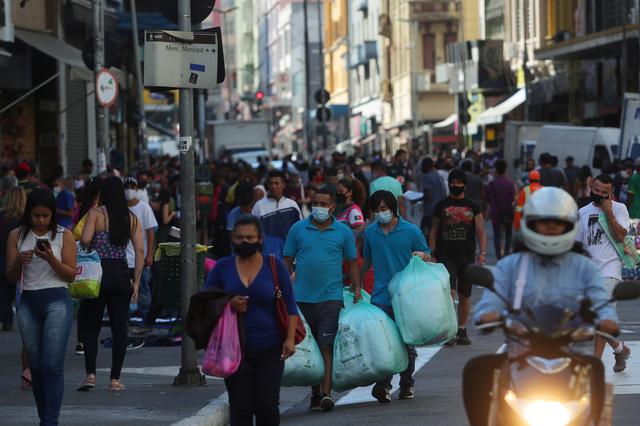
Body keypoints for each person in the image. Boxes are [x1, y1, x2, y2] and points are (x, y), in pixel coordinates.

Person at [467, 187, 619, 426]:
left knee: (595, 369)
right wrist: (488, 314)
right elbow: (490, 299)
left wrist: (606, 319)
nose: (550, 227)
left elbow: (601, 300)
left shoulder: (584, 267)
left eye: (557, 223)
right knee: (476, 369)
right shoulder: (510, 265)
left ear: (569, 225)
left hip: (567, 351)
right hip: (520, 352)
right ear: (531, 224)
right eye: (543, 222)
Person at [204, 214, 298, 426]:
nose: (244, 242)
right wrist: (228, 302)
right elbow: (205, 301)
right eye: (239, 238)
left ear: (260, 239)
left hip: (270, 347)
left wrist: (290, 338)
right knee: (240, 408)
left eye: (249, 237)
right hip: (234, 349)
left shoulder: (274, 265)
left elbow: (290, 305)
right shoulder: (223, 267)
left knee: (267, 406)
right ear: (232, 239)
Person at [283, 186, 361, 412]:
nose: (318, 208)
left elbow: (352, 261)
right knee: (311, 347)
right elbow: (286, 261)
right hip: (301, 299)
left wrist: (356, 287)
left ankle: (326, 394)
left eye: (323, 204)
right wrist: (279, 287)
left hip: (331, 297)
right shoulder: (297, 229)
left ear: (333, 207)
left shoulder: (343, 231)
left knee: (326, 346)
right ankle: (315, 392)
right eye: (315, 203)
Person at [6, 189, 77, 425]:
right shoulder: (16, 235)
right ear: (29, 214)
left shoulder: (63, 235)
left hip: (57, 299)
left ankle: (50, 422)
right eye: (36, 215)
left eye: (46, 216)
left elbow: (70, 275)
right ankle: (44, 418)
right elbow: (11, 276)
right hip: (27, 301)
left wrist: (50, 259)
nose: (41, 221)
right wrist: (19, 261)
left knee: (52, 365)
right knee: (35, 367)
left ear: (53, 215)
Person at [360, 190, 431, 403]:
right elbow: (367, 261)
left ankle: (407, 384)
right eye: (376, 210)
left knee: (406, 341)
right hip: (381, 295)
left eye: (384, 209)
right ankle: (383, 385)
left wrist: (422, 255)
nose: (380, 213)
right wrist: (356, 284)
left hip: (407, 296)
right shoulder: (371, 233)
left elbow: (427, 254)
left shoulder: (411, 231)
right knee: (384, 342)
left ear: (393, 208)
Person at [78, 177, 144, 392]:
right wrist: (137, 281)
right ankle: (115, 378)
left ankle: (90, 375)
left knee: (91, 325)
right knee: (119, 328)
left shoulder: (95, 214)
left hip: (96, 275)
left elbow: (85, 239)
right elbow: (140, 251)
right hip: (121, 274)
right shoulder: (131, 218)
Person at [576, 174, 631, 372]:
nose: (598, 195)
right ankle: (620, 348)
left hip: (610, 271)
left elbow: (620, 235)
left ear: (611, 194)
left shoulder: (619, 209)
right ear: (591, 187)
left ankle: (594, 364)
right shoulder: (583, 211)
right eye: (596, 190)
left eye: (603, 193)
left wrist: (610, 214)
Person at [429, 169, 487, 346]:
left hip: (467, 256)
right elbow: (434, 231)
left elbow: (481, 231)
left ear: (465, 185)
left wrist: (482, 253)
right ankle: (450, 330)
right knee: (449, 293)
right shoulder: (441, 206)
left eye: (458, 182)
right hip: (445, 255)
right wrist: (431, 254)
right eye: (452, 182)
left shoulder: (474, 206)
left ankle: (462, 329)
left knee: (464, 294)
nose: (454, 185)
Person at [124, 177, 157, 318]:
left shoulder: (144, 207)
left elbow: (151, 231)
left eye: (132, 187)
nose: (129, 190)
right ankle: (129, 316)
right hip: (123, 258)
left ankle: (144, 316)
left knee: (143, 287)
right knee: (125, 289)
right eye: (126, 187)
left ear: (137, 189)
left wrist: (149, 254)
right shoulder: (119, 207)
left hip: (140, 257)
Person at [251, 171, 301, 258]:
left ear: (283, 185)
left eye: (276, 183)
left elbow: (299, 231)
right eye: (270, 183)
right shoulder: (259, 206)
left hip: (289, 254)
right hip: (267, 255)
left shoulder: (292, 205)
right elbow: (253, 231)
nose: (273, 186)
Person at [0, 187, 26, 331]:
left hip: (1, 258)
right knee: (20, 292)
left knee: (3, 292)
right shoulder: (24, 220)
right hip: (18, 259)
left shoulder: (2, 217)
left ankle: (6, 319)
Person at [485, 160, 516, 259]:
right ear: (505, 170)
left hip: (496, 213)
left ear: (496, 170)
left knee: (497, 235)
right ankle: (506, 254)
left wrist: (487, 214)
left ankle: (499, 256)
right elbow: (512, 199)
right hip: (508, 212)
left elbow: (488, 200)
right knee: (508, 234)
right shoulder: (510, 183)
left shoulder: (491, 184)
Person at [420, 157, 447, 237]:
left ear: (427, 166)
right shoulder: (440, 176)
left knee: (424, 235)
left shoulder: (426, 176)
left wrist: (415, 199)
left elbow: (428, 196)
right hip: (440, 210)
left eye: (422, 166)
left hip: (430, 211)